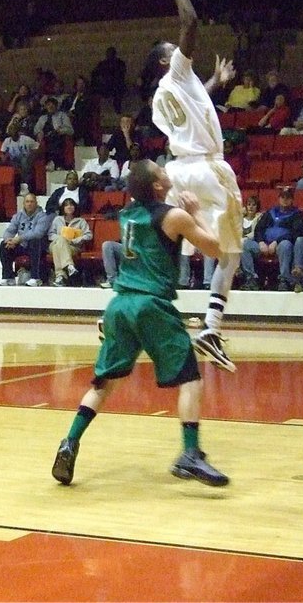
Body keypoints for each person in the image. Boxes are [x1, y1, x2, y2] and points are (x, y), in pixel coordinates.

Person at [51, 159, 229, 488]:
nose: (165, 168)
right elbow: (215, 248)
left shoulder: (128, 213)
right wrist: (197, 212)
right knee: (190, 379)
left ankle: (70, 441)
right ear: (158, 186)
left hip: (119, 305)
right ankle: (190, 453)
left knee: (103, 384)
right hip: (152, 305)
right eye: (159, 169)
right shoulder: (174, 216)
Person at [149, 0, 242, 373]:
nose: (182, 49)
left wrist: (216, 84)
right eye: (175, 49)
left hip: (177, 171)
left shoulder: (160, 97)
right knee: (229, 252)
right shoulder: (176, 72)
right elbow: (191, 20)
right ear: (168, 60)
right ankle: (211, 327)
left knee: (177, 244)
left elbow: (192, 107)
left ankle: (138, 307)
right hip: (206, 168)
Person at [239, 187, 303, 292]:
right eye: (282, 197)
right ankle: (251, 278)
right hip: (264, 245)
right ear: (279, 199)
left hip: (281, 245)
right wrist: (261, 242)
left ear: (292, 199)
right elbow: (259, 229)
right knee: (244, 244)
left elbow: (296, 233)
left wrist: (276, 242)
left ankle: (284, 279)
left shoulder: (297, 214)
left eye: (287, 198)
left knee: (285, 245)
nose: (285, 200)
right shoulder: (270, 212)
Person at [0, 193, 50, 287]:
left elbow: (38, 233)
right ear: (24, 203)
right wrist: (8, 240)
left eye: (32, 202)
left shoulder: (43, 216)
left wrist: (19, 238)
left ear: (36, 203)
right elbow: (10, 230)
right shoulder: (18, 216)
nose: (29, 204)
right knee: (3, 245)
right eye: (27, 201)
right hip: (22, 245)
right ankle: (8, 277)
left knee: (35, 241)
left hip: (38, 246)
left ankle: (35, 278)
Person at [48, 199, 92, 287]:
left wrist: (73, 240)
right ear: (63, 208)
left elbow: (88, 235)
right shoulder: (57, 219)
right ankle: (69, 265)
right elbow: (50, 234)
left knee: (57, 248)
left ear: (75, 207)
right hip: (55, 243)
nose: (69, 207)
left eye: (71, 205)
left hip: (72, 247)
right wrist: (62, 239)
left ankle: (60, 276)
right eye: (66, 205)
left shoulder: (81, 221)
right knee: (60, 241)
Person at [34, 95, 74, 171]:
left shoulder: (62, 115)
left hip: (58, 137)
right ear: (45, 106)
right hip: (45, 138)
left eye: (53, 105)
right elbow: (36, 129)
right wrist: (39, 133)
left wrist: (60, 130)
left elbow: (70, 130)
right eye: (48, 105)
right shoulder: (43, 118)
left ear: (56, 106)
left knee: (55, 142)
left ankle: (55, 163)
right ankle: (50, 163)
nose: (51, 106)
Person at [0, 119, 40, 195]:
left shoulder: (26, 139)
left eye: (14, 130)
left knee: (24, 161)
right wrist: (4, 158)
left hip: (26, 160)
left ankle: (25, 185)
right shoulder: (7, 141)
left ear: (17, 131)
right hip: (13, 161)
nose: (12, 133)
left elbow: (37, 147)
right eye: (11, 131)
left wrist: (32, 156)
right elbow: (2, 152)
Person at [90, 46, 127, 113]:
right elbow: (94, 74)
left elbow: (121, 75)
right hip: (105, 85)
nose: (110, 56)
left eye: (111, 54)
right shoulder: (103, 64)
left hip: (116, 85)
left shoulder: (120, 63)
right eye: (109, 54)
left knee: (118, 88)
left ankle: (117, 107)